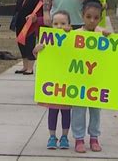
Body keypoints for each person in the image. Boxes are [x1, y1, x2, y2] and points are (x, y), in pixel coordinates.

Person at [70, 0, 111, 153]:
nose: (92, 21)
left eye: (95, 18)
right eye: (88, 17)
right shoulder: (75, 34)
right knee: (78, 110)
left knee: (96, 110)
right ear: (82, 15)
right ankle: (79, 139)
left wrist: (108, 37)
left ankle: (94, 138)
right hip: (79, 80)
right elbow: (61, 49)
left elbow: (112, 54)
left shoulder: (104, 35)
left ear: (100, 18)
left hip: (96, 81)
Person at [33, 10, 72, 150]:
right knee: (53, 111)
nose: (59, 26)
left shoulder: (73, 38)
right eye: (55, 23)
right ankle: (52, 136)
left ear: (69, 25)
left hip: (67, 84)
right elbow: (38, 56)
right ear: (51, 25)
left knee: (66, 111)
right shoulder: (46, 40)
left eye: (63, 23)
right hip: (52, 84)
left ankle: (64, 137)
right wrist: (37, 49)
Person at [13, 0, 39, 75]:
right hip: (19, 24)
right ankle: (24, 66)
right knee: (21, 45)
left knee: (29, 44)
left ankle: (30, 68)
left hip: (29, 25)